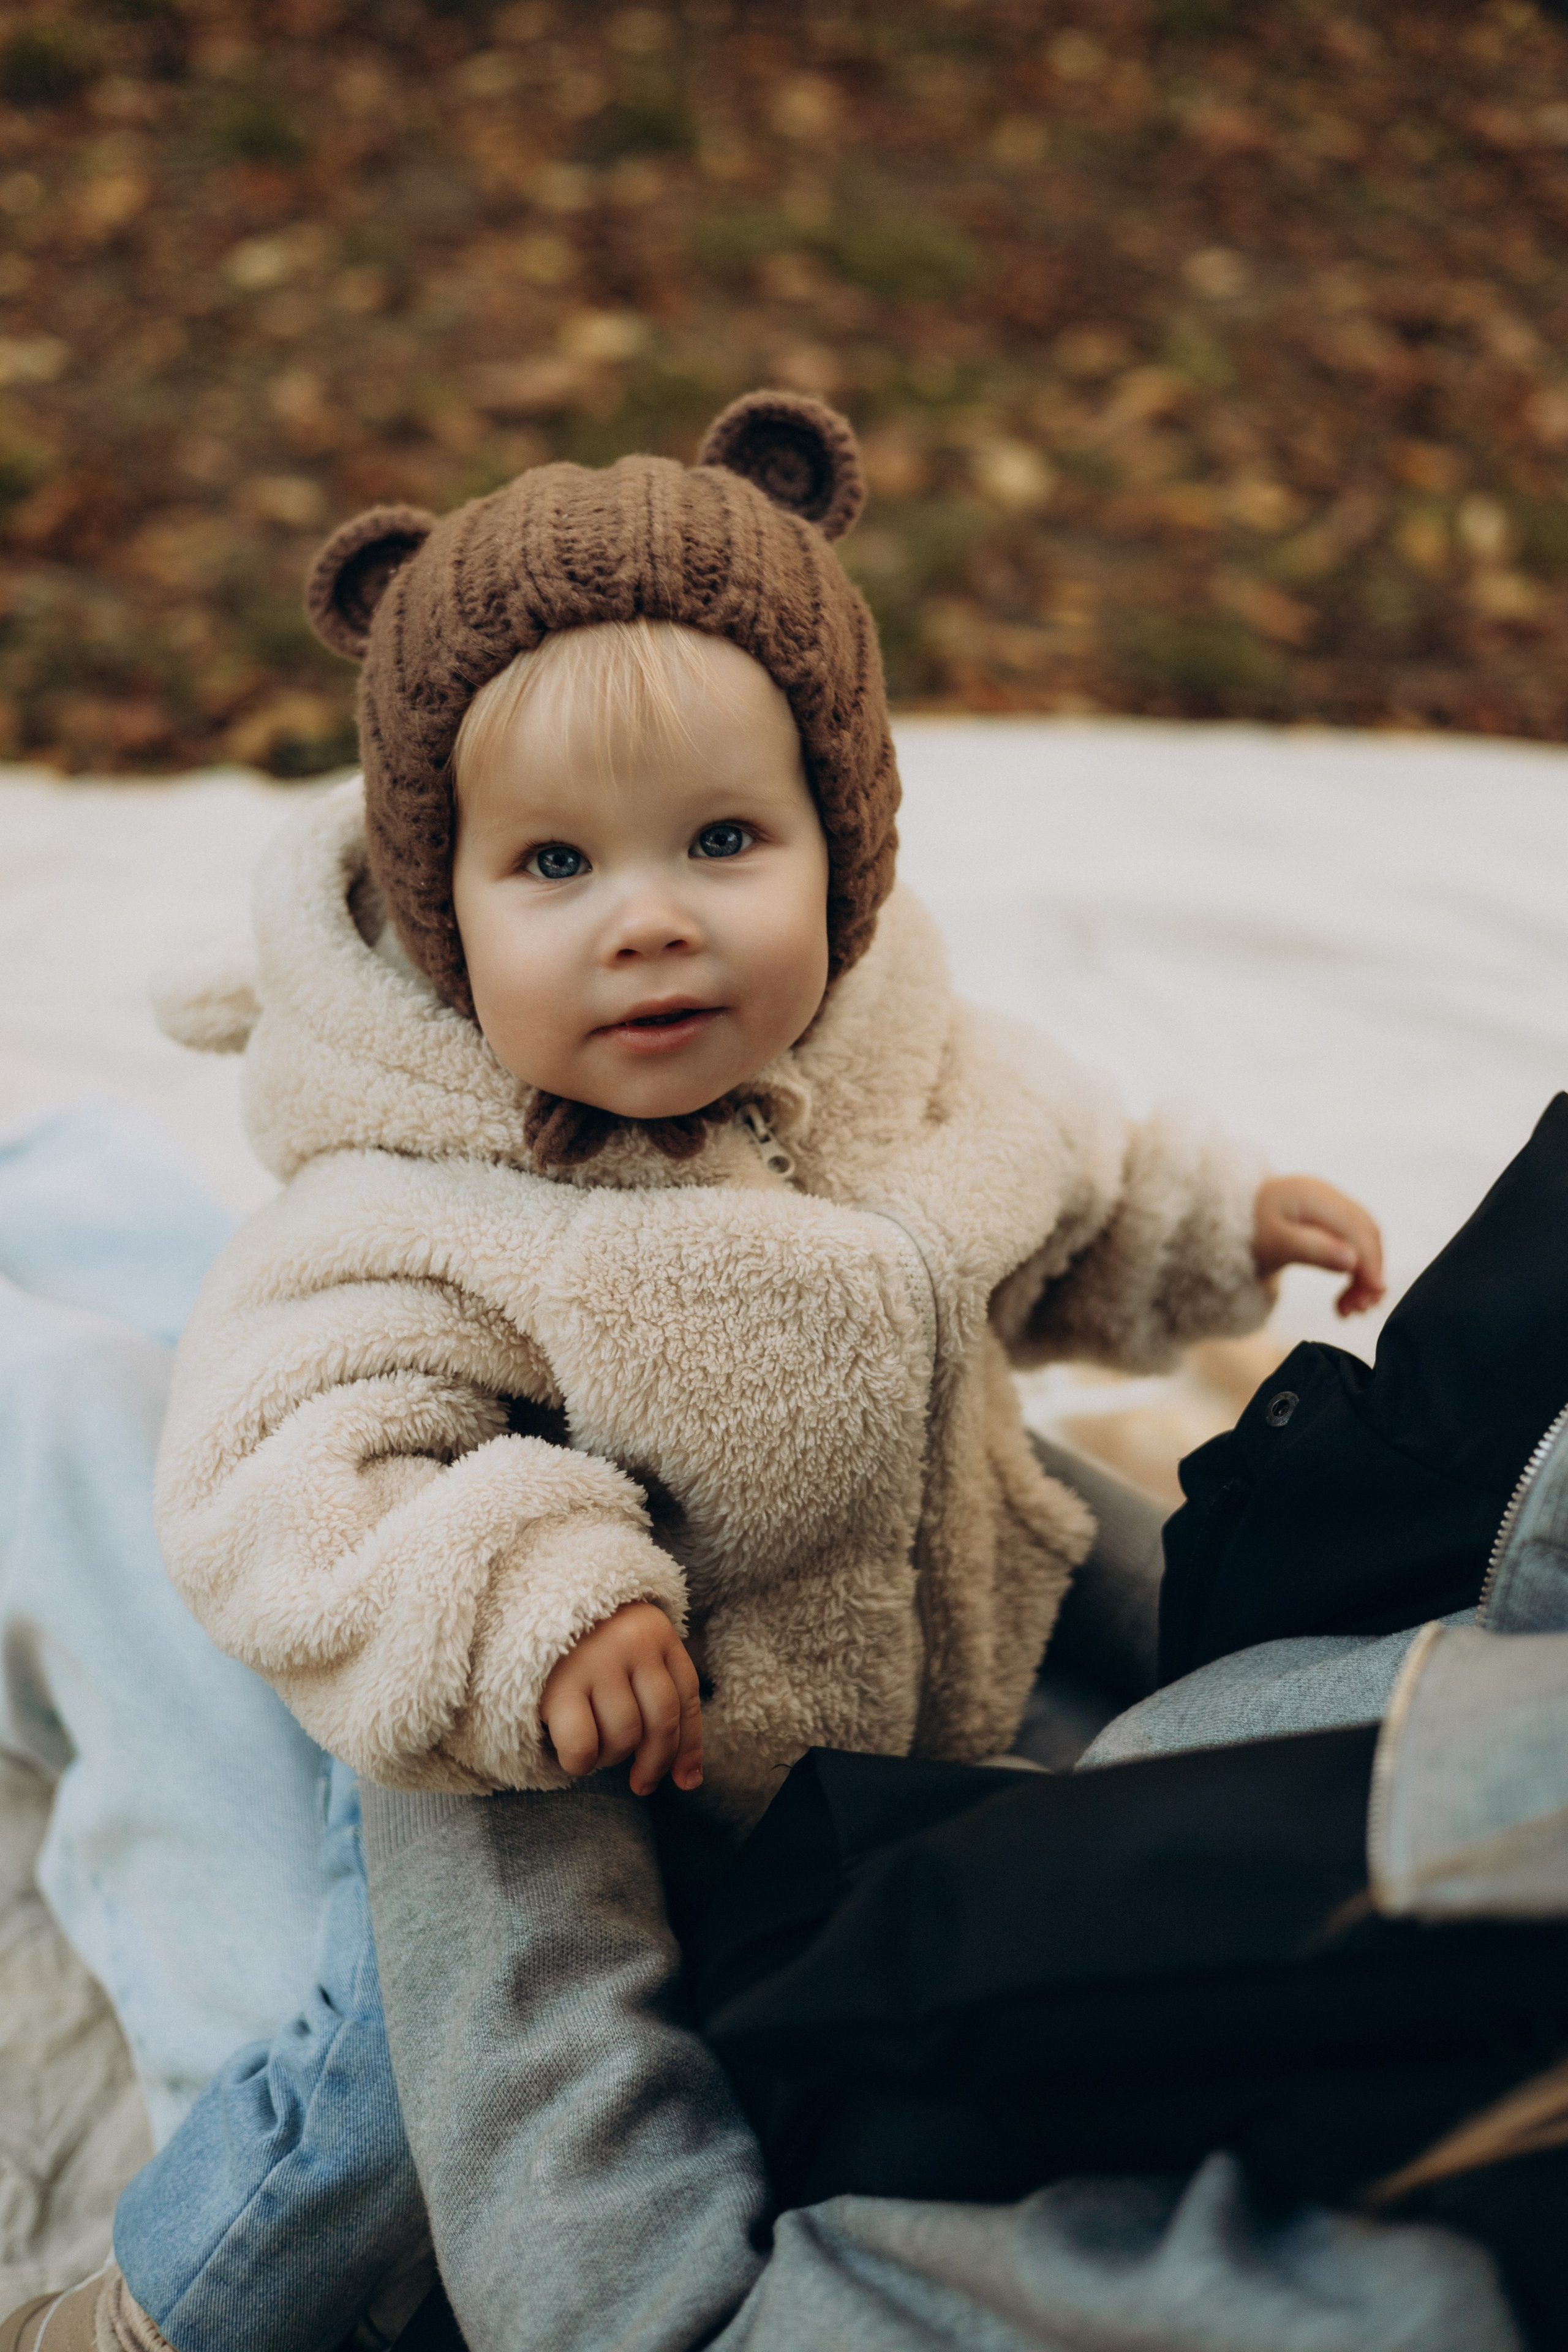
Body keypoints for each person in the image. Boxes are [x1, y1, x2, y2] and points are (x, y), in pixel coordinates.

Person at [5, 390, 1383, 2350]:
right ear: (443, 906)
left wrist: (1212, 1223)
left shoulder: (902, 1053)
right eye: (552, 865)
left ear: (843, 847)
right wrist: (533, 1589)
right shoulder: (407, 1195)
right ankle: (165, 2305)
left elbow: (1056, 1170)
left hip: (902, 1601)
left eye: (723, 839)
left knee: (1162, 1632)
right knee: (429, 2090)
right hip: (557, 1716)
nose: (648, 920)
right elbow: (285, 1468)